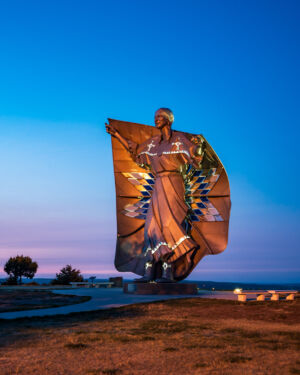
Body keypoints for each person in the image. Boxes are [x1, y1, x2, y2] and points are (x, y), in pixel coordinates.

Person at [106, 108, 203, 282]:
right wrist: (117, 135)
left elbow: (195, 155)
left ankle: (168, 271)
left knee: (169, 225)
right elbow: (135, 150)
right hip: (158, 185)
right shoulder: (153, 143)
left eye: (160, 116)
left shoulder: (179, 140)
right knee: (151, 227)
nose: (156, 119)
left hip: (174, 183)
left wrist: (197, 147)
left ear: (169, 120)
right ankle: (149, 269)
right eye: (155, 117)